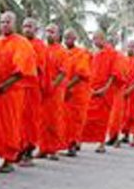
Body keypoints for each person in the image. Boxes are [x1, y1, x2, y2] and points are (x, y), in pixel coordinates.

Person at [0, 12, 36, 172]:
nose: (4, 25)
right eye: (2, 22)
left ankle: (9, 159)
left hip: (11, 92)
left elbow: (21, 71)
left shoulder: (22, 43)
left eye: (8, 22)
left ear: (15, 23)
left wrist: (4, 86)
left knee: (10, 125)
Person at [80, 31, 120, 153]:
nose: (94, 42)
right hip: (92, 89)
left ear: (102, 39)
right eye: (93, 39)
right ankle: (79, 141)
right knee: (87, 117)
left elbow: (114, 74)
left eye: (96, 39)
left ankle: (101, 143)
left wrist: (105, 88)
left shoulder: (113, 54)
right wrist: (90, 88)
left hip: (105, 91)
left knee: (103, 119)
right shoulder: (95, 55)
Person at [20, 17, 47, 165]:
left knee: (30, 120)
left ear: (36, 30)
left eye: (30, 26)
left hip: (32, 88)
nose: (26, 29)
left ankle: (28, 150)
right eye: (24, 26)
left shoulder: (39, 46)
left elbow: (38, 68)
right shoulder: (18, 43)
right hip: (18, 88)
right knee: (19, 120)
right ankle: (19, 149)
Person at [39, 23, 68, 159]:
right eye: (47, 31)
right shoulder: (44, 49)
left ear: (57, 35)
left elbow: (62, 73)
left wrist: (52, 86)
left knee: (54, 121)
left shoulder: (62, 51)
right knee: (43, 121)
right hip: (44, 90)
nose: (49, 34)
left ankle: (54, 149)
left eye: (52, 32)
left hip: (55, 92)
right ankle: (43, 148)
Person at [62, 29, 92, 156]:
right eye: (65, 37)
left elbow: (81, 74)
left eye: (69, 37)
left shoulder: (81, 54)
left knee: (76, 120)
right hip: (64, 92)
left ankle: (73, 144)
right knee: (64, 119)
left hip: (77, 93)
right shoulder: (63, 53)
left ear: (75, 39)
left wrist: (68, 87)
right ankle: (66, 143)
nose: (67, 40)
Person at [106, 38, 128, 147]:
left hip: (117, 89)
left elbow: (120, 74)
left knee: (116, 115)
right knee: (109, 115)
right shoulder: (103, 55)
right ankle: (111, 136)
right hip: (106, 89)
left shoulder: (120, 57)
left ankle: (114, 137)